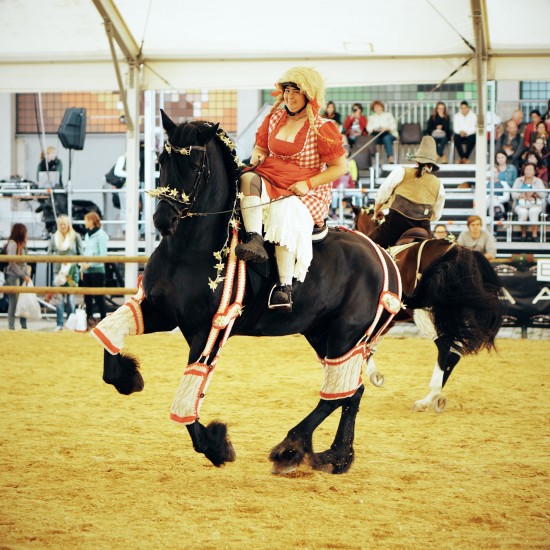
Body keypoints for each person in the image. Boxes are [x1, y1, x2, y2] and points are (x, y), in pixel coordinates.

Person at [234, 66, 347, 312]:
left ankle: (284, 286)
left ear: (310, 94)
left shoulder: (323, 126)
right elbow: (260, 148)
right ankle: (253, 239)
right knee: (247, 180)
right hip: (272, 175)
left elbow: (340, 167)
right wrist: (257, 157)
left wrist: (308, 184)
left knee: (284, 211)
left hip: (306, 187)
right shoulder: (274, 118)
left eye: (296, 91)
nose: (289, 96)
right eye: (286, 90)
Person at [368, 136, 445, 249]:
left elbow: (382, 194)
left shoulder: (402, 171)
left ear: (416, 160)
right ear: (432, 165)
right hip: (423, 228)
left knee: (369, 247)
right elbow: (436, 215)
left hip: (395, 224)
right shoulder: (439, 184)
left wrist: (377, 210)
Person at [46, 215, 83, 331]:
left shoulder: (75, 236)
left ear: (68, 224)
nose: (63, 226)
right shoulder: (54, 237)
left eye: (65, 224)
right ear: (58, 225)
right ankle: (60, 324)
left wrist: (77, 266)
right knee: (59, 299)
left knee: (71, 300)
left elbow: (80, 254)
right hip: (58, 271)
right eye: (61, 224)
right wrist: (57, 258)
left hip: (72, 272)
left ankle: (71, 324)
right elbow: (49, 253)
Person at [81, 211, 109, 327]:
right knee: (87, 296)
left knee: (99, 296)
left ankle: (104, 319)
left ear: (92, 221)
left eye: (86, 220)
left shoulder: (101, 235)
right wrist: (82, 268)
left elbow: (103, 255)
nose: (84, 222)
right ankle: (89, 318)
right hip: (87, 269)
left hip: (97, 270)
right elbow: (86, 252)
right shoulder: (87, 235)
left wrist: (90, 264)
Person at [4, 223, 31, 330]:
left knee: (23, 302)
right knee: (14, 302)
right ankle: (11, 327)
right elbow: (12, 263)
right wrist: (23, 275)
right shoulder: (13, 244)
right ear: (21, 232)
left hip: (21, 276)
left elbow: (24, 262)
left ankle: (23, 326)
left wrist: (26, 274)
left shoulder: (22, 245)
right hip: (12, 276)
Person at [511, 162, 546, 242]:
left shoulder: (538, 181)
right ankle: (523, 234)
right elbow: (513, 194)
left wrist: (534, 194)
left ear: (534, 172)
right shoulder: (518, 180)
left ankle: (534, 235)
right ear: (524, 170)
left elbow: (543, 195)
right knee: (523, 213)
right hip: (520, 204)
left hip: (535, 204)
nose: (528, 171)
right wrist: (522, 195)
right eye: (527, 169)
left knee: (533, 211)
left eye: (530, 170)